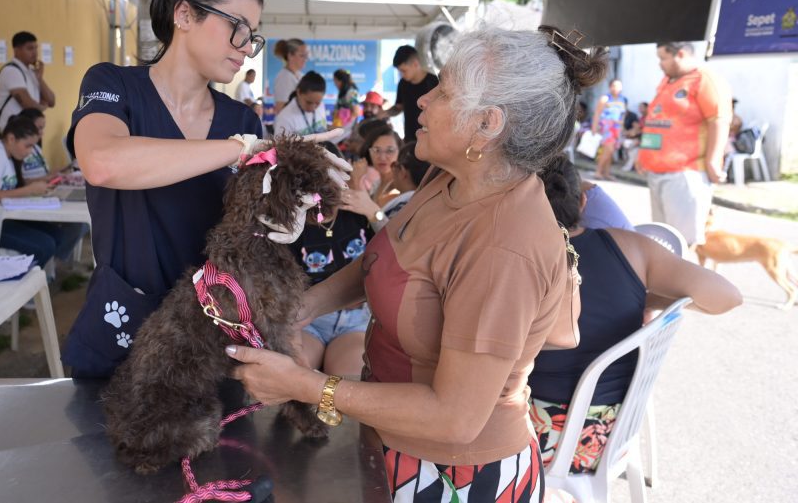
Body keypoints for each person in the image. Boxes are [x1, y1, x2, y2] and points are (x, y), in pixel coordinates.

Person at [228, 25, 608, 502]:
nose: (423, 100)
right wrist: (301, 307)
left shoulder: (502, 247)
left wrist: (307, 385)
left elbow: (455, 416)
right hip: (391, 440)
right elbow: (382, 262)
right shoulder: (449, 178)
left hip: (451, 477)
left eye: (444, 91)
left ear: (487, 125)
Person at [66, 0, 316, 379]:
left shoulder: (241, 118)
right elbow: (103, 162)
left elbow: (248, 237)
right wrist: (239, 150)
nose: (245, 45)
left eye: (253, 36)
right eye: (236, 26)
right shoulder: (114, 85)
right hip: (123, 327)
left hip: (213, 337)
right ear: (184, 14)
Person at [529, 155, 742, 473]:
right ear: (583, 201)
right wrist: (645, 297)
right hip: (607, 432)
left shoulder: (517, 255)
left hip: (538, 435)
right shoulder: (629, 247)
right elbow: (727, 296)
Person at [637, 42, 732, 248]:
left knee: (682, 244)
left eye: (663, 58)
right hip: (658, 172)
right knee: (662, 241)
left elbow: (719, 120)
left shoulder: (704, 79)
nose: (660, 64)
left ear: (680, 54)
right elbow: (658, 121)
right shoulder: (668, 81)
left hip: (685, 173)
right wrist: (643, 156)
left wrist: (714, 161)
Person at [292, 143, 373, 379]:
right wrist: (293, 344)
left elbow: (400, 251)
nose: (324, 192)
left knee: (349, 378)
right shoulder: (291, 225)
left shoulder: (359, 212)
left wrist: (374, 211)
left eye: (331, 179)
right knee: (298, 374)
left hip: (354, 318)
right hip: (309, 319)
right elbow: (283, 290)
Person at [0, 116, 81, 269]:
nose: (30, 151)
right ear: (11, 138)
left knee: (56, 234)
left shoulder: (7, 155)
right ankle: (23, 285)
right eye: (28, 146)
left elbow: (15, 186)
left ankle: (36, 278)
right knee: (44, 246)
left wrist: (44, 181)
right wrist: (29, 190)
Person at [0, 31, 56, 131]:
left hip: (31, 131)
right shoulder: (11, 71)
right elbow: (29, 105)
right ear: (16, 50)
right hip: (14, 133)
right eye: (29, 48)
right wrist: (42, 107)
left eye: (36, 48)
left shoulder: (31, 72)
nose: (35, 52)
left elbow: (51, 101)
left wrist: (40, 79)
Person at [382, 44, 439, 143]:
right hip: (410, 139)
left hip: (431, 138)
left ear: (415, 64)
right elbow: (399, 107)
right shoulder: (403, 84)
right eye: (399, 71)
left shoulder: (434, 82)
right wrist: (384, 113)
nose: (401, 75)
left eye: (404, 71)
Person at [347, 122, 402, 211]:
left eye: (390, 150)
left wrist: (357, 180)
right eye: (376, 150)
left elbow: (369, 216)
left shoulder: (398, 187)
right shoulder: (378, 182)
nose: (382, 157)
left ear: (400, 152)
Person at [274, 71, 333, 137]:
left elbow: (321, 128)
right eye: (308, 102)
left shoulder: (321, 105)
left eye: (317, 103)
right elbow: (280, 146)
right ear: (299, 92)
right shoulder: (284, 118)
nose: (312, 107)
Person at [590, 79, 627, 181]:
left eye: (619, 86)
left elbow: (623, 114)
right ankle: (598, 171)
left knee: (610, 152)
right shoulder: (605, 98)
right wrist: (594, 127)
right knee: (608, 149)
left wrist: (622, 126)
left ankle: (606, 173)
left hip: (617, 128)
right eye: (614, 86)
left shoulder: (623, 99)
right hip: (607, 127)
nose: (617, 88)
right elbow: (597, 113)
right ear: (610, 87)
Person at [272, 38, 308, 113]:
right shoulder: (284, 78)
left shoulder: (300, 75)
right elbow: (280, 109)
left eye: (306, 55)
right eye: (302, 55)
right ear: (290, 55)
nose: (305, 59)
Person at [17, 107, 50, 181]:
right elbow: (21, 183)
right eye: (39, 128)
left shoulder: (36, 148)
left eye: (43, 128)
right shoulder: (17, 150)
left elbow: (46, 173)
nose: (42, 133)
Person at [619, 101, 647, 172]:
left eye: (642, 107)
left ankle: (629, 166)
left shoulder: (649, 118)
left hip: (645, 139)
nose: (639, 109)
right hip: (638, 138)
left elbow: (643, 130)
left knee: (632, 148)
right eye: (639, 107)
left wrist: (637, 137)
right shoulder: (641, 118)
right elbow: (638, 129)